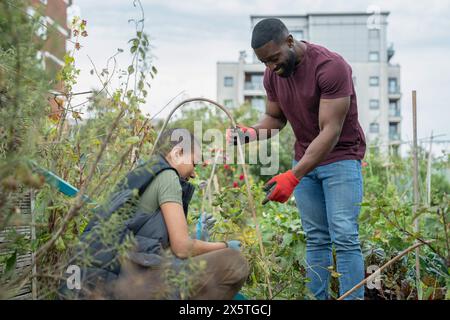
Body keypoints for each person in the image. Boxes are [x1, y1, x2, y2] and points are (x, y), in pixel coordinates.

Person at [228, 18, 366, 300]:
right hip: (305, 159)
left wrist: (293, 175)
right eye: (264, 62)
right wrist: (250, 133)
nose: (271, 67)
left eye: (274, 58)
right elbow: (276, 118)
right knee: (316, 238)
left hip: (340, 158)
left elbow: (331, 132)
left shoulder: (330, 67)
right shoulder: (273, 76)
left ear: (290, 41)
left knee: (344, 236)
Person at [67, 128, 249, 300]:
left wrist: (197, 237)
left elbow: (151, 245)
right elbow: (182, 248)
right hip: (130, 282)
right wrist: (225, 245)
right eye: (194, 163)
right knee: (234, 263)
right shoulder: (168, 177)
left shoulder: (143, 174)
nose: (194, 173)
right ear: (177, 153)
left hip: (110, 279)